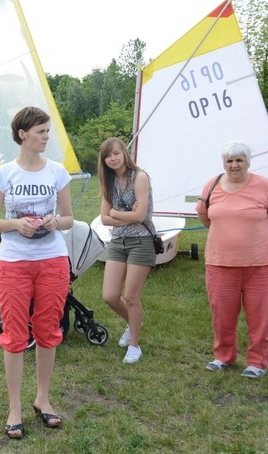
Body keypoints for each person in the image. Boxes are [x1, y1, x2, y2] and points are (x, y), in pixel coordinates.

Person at [0, 106, 74, 439]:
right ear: (22, 134)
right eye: (41, 131)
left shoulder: (57, 172)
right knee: (14, 334)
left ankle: (43, 399)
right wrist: (15, 224)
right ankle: (15, 408)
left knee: (49, 330)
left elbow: (69, 219)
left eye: (48, 131)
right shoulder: (5, 173)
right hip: (14, 262)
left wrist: (54, 221)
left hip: (52, 260)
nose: (47, 137)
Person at [195, 140, 268, 378]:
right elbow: (204, 216)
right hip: (220, 264)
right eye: (230, 161)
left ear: (248, 162)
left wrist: (254, 237)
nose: (234, 165)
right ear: (223, 163)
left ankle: (258, 362)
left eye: (239, 160)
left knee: (262, 317)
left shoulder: (264, 185)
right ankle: (223, 356)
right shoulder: (212, 185)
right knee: (222, 315)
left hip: (263, 265)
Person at [98, 137, 155, 365]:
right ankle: (134, 323)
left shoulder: (139, 177)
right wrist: (125, 216)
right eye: (108, 156)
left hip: (141, 241)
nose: (113, 159)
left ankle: (134, 345)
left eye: (116, 153)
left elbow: (140, 216)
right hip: (118, 242)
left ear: (124, 153)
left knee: (131, 296)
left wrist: (115, 213)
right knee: (110, 296)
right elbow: (104, 218)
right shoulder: (109, 181)